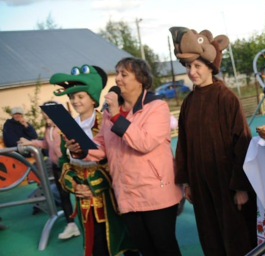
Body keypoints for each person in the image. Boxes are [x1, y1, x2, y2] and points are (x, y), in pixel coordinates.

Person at [65, 59, 182, 256]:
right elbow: (102, 145)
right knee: (145, 249)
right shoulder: (110, 112)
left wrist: (117, 115)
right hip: (126, 194)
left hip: (156, 193)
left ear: (141, 80)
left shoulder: (156, 107)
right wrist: (80, 149)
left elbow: (144, 143)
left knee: (164, 248)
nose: (117, 78)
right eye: (117, 73)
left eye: (124, 74)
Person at [169, 26, 257, 255]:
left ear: (210, 66)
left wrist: (241, 187)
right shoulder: (188, 102)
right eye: (188, 66)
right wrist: (187, 182)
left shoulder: (226, 98)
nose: (192, 72)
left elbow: (243, 143)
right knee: (211, 239)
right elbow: (184, 146)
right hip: (201, 185)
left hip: (227, 184)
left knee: (237, 240)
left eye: (197, 66)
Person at [49, 65, 138, 256]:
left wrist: (93, 185)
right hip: (83, 200)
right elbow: (64, 161)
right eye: (72, 97)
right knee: (94, 245)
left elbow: (115, 157)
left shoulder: (104, 123)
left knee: (127, 242)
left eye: (80, 97)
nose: (75, 101)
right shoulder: (67, 126)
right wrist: (74, 184)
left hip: (111, 197)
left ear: (92, 98)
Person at [18, 101, 80, 240]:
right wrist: (31, 142)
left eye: (49, 117)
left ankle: (85, 222)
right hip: (56, 166)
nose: (47, 121)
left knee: (78, 193)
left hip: (70, 166)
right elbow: (47, 144)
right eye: (45, 118)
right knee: (63, 196)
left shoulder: (65, 128)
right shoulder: (49, 129)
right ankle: (71, 225)